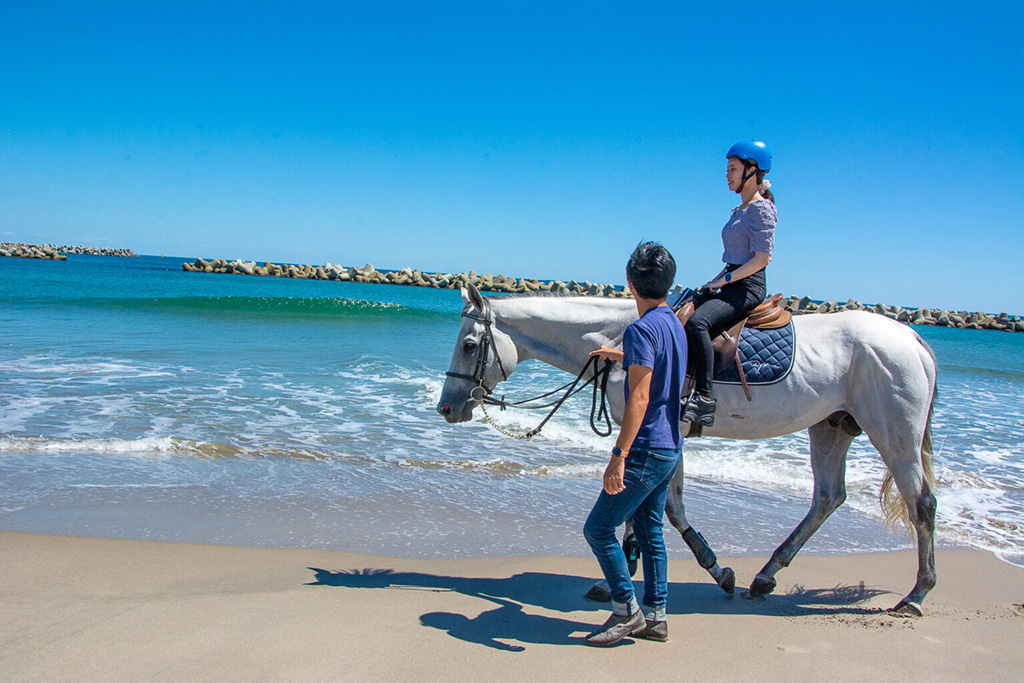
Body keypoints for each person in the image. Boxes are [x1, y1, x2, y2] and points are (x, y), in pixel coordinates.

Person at [584, 241, 686, 647]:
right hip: (670, 447)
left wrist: (618, 456)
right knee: (650, 531)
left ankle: (626, 611)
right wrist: (620, 355)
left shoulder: (641, 329)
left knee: (599, 529)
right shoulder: (673, 322)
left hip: (643, 449)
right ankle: (658, 617)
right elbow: (656, 362)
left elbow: (639, 398)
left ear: (630, 283)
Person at [683, 140, 777, 427]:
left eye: (733, 169)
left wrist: (724, 280)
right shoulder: (739, 211)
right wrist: (714, 282)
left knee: (698, 323)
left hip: (748, 287)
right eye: (728, 169)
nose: (727, 175)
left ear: (752, 171)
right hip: (731, 280)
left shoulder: (762, 209)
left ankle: (705, 399)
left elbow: (762, 259)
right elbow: (735, 258)